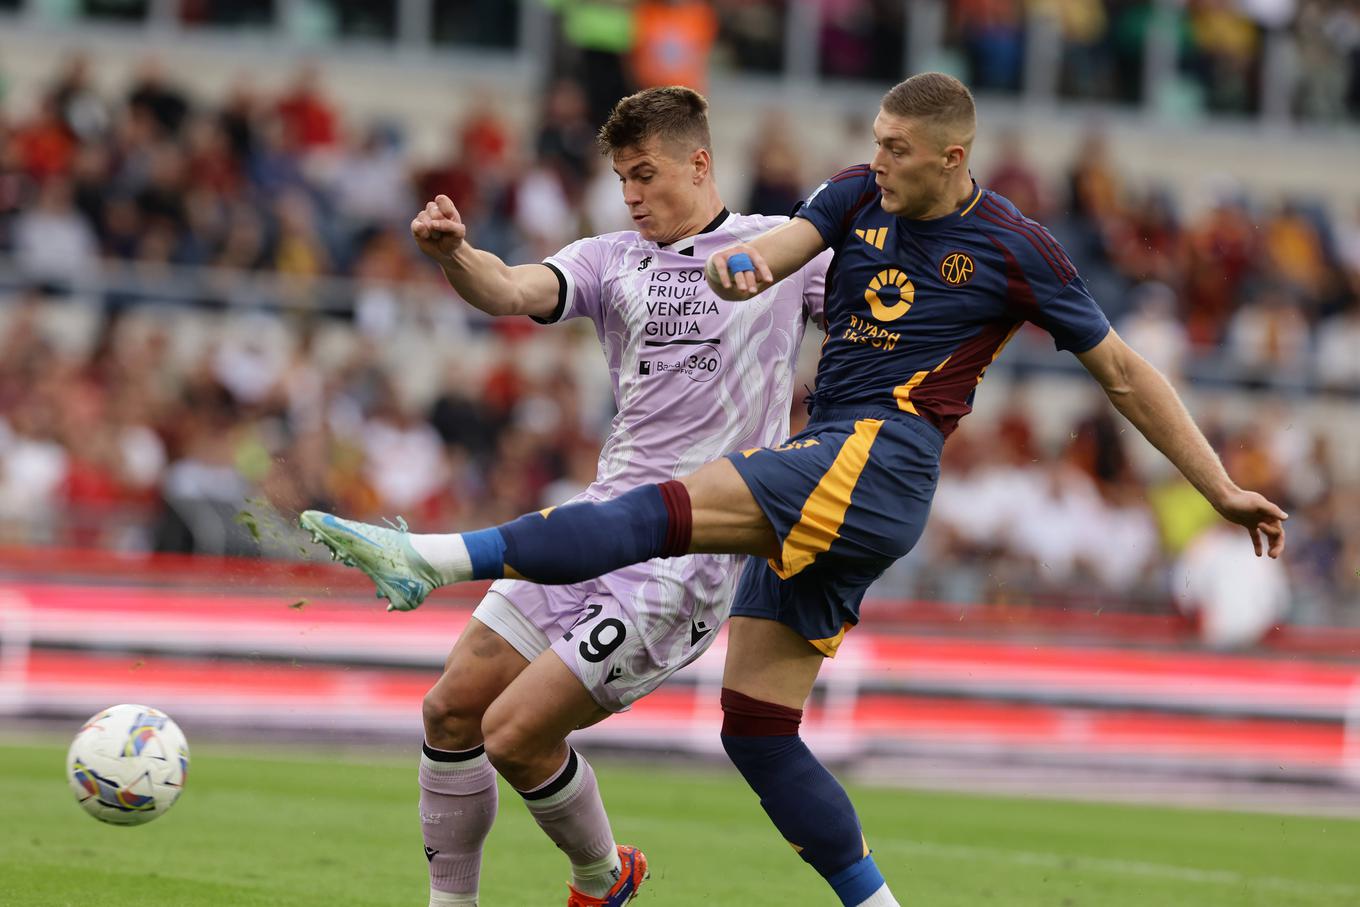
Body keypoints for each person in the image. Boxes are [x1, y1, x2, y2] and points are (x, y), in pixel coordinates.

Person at [303, 73, 1287, 907]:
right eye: (621, 178)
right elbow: (577, 282)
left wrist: (1219, 486)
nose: (874, 158)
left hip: (838, 471)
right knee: (751, 732)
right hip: (788, 481)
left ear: (950, 155)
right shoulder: (832, 205)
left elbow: (1120, 371)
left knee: (593, 614)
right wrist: (731, 270)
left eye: (895, 146)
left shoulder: (1014, 246)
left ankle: (429, 555)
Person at [308, 86, 827, 907]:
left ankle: (602, 876)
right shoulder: (609, 257)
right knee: (450, 711)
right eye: (622, 177)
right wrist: (454, 255)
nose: (631, 195)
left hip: (683, 558)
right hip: (592, 529)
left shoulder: (778, 251)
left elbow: (879, 327)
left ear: (699, 162)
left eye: (646, 175)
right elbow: (513, 288)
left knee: (513, 735)